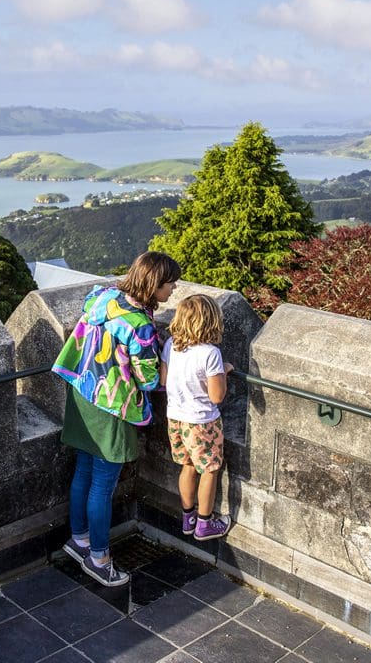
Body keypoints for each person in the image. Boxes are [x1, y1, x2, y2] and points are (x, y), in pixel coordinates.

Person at [52, 251, 181, 587]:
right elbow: (150, 380)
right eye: (170, 284)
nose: (173, 291)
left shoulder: (103, 296)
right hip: (112, 405)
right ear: (154, 284)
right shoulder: (138, 326)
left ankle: (78, 540)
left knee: (83, 468)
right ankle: (99, 558)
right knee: (103, 485)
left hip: (82, 392)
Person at [160, 293, 233, 541]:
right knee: (210, 470)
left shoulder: (171, 344)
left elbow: (163, 379)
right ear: (211, 321)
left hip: (175, 418)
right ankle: (205, 523)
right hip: (202, 421)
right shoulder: (210, 353)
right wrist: (224, 371)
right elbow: (217, 396)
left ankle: (188, 517)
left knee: (188, 466)